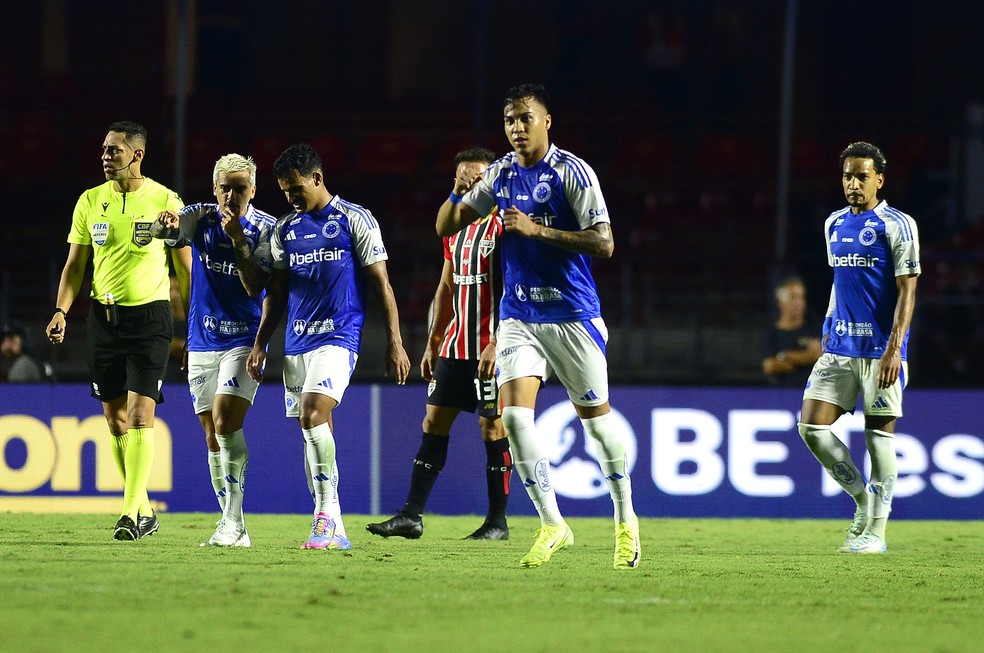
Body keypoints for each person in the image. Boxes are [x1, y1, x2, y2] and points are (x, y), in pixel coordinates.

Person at [436, 84, 640, 570]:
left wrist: (538, 229)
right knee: (513, 417)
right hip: (519, 317)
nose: (517, 127)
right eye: (509, 120)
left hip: (572, 315)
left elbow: (605, 243)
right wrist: (460, 191)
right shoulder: (501, 173)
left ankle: (626, 520)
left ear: (548, 121)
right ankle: (553, 523)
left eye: (526, 118)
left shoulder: (573, 172)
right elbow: (448, 225)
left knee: (598, 427)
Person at [247, 143, 410, 550]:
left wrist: (396, 341)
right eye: (285, 192)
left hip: (339, 336)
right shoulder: (285, 230)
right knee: (312, 429)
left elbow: (381, 285)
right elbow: (277, 295)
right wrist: (260, 344)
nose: (291, 199)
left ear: (318, 179)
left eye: (297, 189)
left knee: (312, 412)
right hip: (297, 342)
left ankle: (324, 518)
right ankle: (333, 523)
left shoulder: (355, 219)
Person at [46, 120, 190, 541]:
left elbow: (184, 269)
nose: (106, 157)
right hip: (103, 321)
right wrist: (61, 311)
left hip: (150, 320)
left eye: (115, 151)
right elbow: (75, 266)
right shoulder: (90, 201)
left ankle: (129, 514)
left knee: (142, 415)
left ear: (137, 155)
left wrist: (194, 322)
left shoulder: (165, 201)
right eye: (105, 150)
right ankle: (144, 508)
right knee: (115, 421)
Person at [367, 147, 513, 542]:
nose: (470, 184)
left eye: (477, 177)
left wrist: (498, 342)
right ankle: (411, 516)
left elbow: (513, 289)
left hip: (490, 348)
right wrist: (433, 341)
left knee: (492, 426)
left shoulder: (506, 225)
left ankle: (497, 522)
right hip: (454, 346)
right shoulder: (456, 228)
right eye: (463, 178)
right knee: (433, 422)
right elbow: (447, 285)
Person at [797, 141, 920, 555]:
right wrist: (828, 327)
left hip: (880, 351)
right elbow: (840, 283)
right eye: (848, 176)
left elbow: (907, 293)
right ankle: (862, 500)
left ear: (879, 180)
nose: (853, 183)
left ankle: (876, 534)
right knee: (811, 427)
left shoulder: (897, 225)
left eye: (862, 176)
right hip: (839, 346)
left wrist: (894, 349)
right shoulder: (833, 223)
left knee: (878, 439)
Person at [151, 153, 276, 547]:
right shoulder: (200, 217)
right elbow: (167, 233)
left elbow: (264, 289)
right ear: (214, 189)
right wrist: (162, 226)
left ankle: (234, 523)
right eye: (225, 187)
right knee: (211, 434)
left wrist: (261, 344)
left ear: (253, 190)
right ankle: (230, 523)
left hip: (244, 339)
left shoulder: (267, 230)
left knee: (225, 421)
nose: (231, 195)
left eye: (240, 188)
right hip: (204, 339)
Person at [761, 276, 822, 387]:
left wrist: (785, 356)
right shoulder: (771, 334)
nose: (799, 302)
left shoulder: (815, 327)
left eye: (801, 297)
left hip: (813, 392)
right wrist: (805, 359)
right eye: (793, 297)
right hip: (782, 394)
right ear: (780, 302)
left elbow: (818, 355)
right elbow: (769, 366)